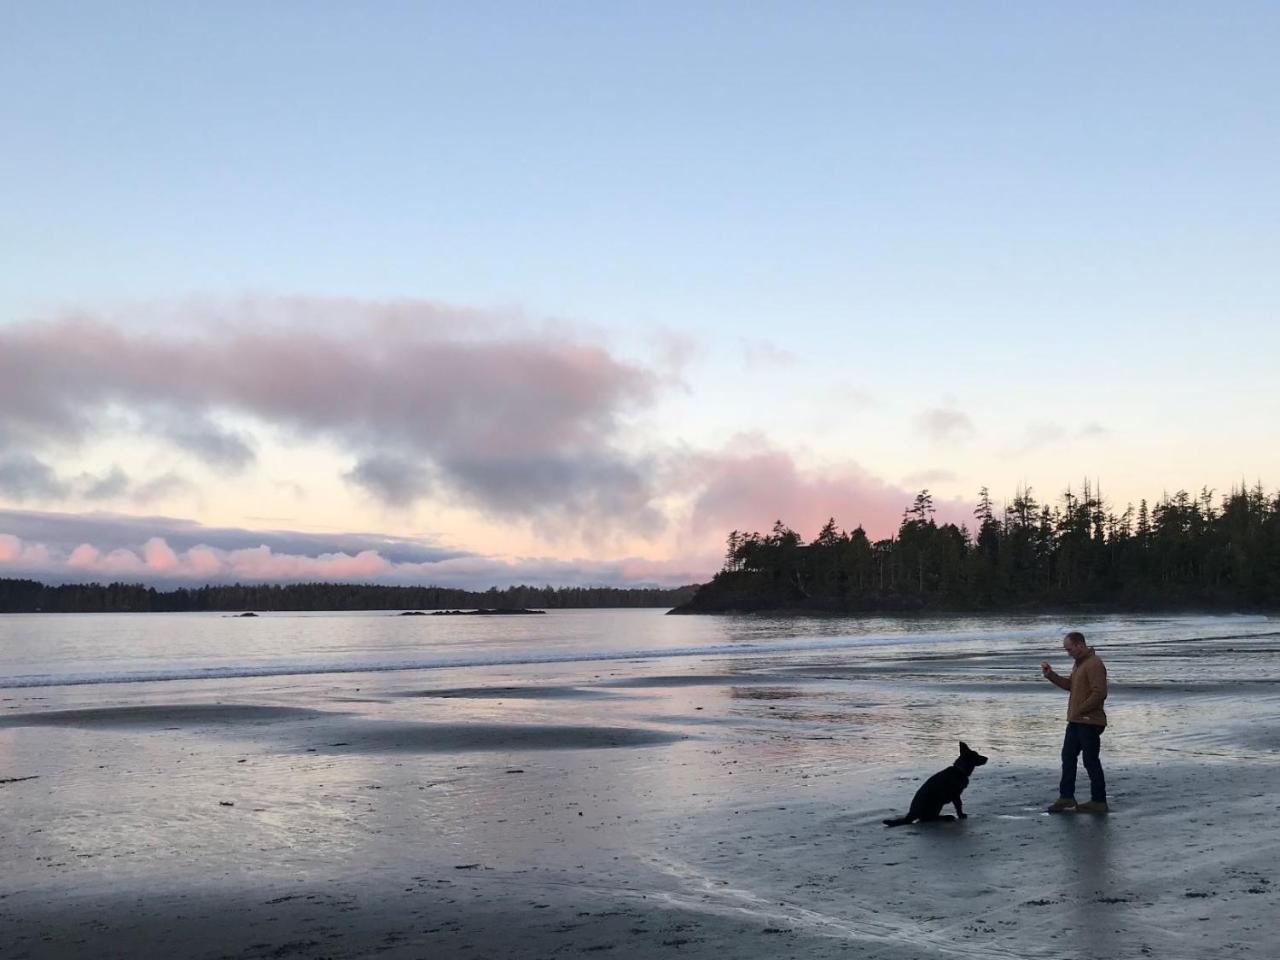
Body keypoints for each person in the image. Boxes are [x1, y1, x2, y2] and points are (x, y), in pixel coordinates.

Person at [1040, 631, 1108, 813]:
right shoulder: (1079, 664)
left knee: (1090, 761)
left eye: (1069, 649)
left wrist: (1080, 709)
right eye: (1066, 650)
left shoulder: (1094, 664)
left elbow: (1099, 693)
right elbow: (1070, 686)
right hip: (1077, 721)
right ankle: (1066, 797)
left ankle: (1099, 801)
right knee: (1068, 757)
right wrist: (1050, 675)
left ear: (1080, 645)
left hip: (1090, 722)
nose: (1068, 653)